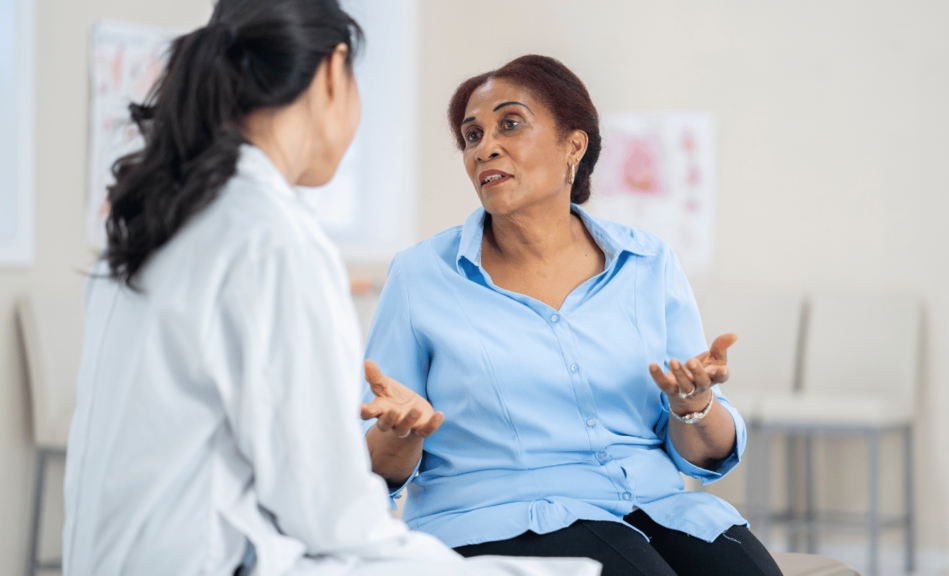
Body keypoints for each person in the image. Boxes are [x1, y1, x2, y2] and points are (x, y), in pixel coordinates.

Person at [61, 3, 599, 575]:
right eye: (472, 134)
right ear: (332, 71)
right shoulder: (272, 237)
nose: (484, 147)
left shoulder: (156, 223)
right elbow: (334, 520)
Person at [360, 55, 784, 576]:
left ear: (573, 146)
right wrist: (403, 430)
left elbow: (703, 455)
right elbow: (374, 471)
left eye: (509, 124)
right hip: (499, 518)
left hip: (655, 506)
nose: (484, 147)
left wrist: (693, 404)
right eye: (472, 136)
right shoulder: (421, 275)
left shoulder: (648, 263)